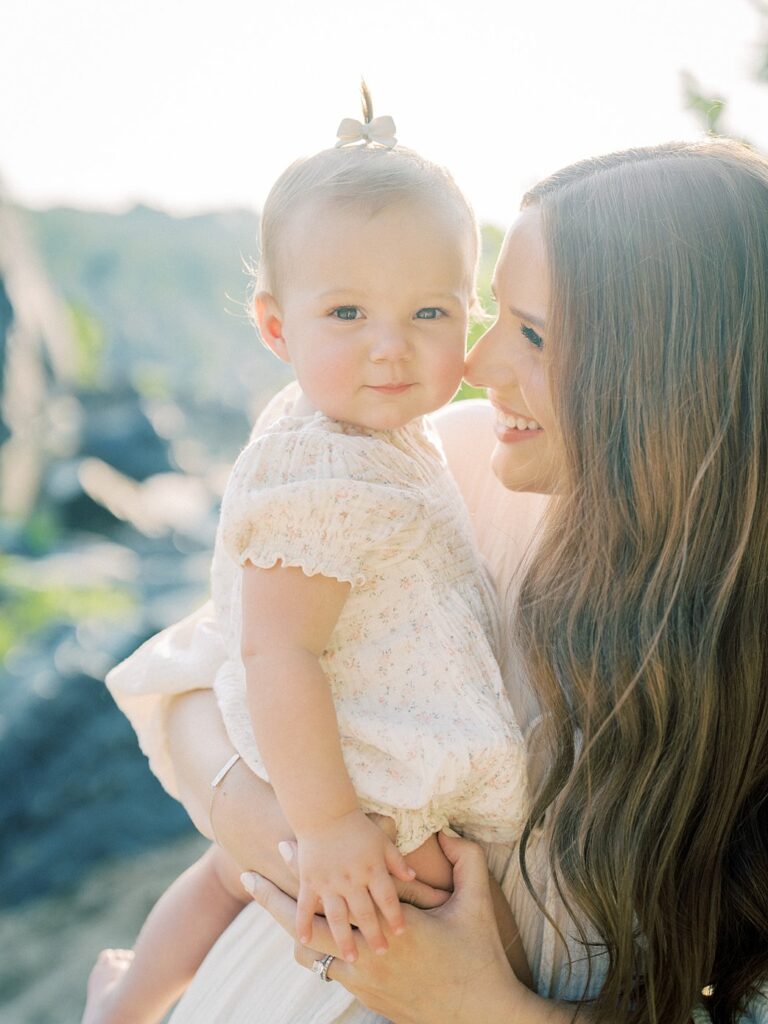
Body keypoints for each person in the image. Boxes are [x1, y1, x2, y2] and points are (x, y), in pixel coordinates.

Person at [92, 136, 768, 1024]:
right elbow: (195, 677)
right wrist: (289, 836)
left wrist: (481, 1005)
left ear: (663, 376)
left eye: (529, 334)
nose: (478, 367)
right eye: (489, 314)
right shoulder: (432, 459)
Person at [83, 93, 533, 1024]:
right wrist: (326, 827)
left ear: (469, 313)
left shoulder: (379, 435)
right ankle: (128, 1000)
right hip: (342, 771)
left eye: (428, 310)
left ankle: (127, 997)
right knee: (236, 874)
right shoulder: (325, 466)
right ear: (277, 329)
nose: (389, 347)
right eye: (347, 312)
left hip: (345, 746)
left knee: (223, 875)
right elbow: (275, 651)